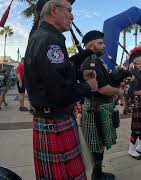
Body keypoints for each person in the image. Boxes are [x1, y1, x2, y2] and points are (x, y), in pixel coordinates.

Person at [24, 0, 97, 179]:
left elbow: (61, 70)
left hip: (52, 120)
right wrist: (88, 86)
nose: (72, 16)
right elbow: (60, 92)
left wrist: (83, 60)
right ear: (54, 11)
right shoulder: (49, 40)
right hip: (54, 122)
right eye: (69, 10)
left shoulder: (45, 37)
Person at [79, 30, 126, 180]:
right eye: (100, 43)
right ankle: (96, 174)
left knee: (100, 143)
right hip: (96, 109)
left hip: (101, 107)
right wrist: (119, 92)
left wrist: (123, 73)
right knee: (96, 144)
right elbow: (101, 88)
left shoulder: (98, 61)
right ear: (91, 46)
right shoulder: (90, 62)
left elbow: (108, 79)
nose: (104, 45)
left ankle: (98, 172)